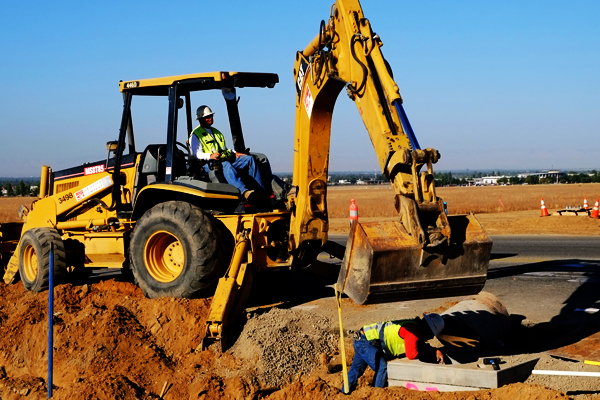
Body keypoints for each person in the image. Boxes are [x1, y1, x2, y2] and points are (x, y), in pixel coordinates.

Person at [343, 313, 445, 394]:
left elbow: (416, 344)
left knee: (356, 370)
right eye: (432, 334)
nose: (431, 338)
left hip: (362, 338)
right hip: (367, 342)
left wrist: (434, 350)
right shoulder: (414, 331)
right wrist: (427, 351)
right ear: (429, 329)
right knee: (382, 367)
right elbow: (412, 354)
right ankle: (375, 394)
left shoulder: (414, 326)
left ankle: (345, 393)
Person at [189, 105, 268, 201]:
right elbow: (197, 154)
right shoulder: (196, 135)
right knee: (226, 165)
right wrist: (210, 156)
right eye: (207, 117)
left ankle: (261, 192)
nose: (210, 118)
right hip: (208, 164)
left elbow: (224, 149)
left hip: (223, 159)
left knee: (249, 159)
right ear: (200, 119)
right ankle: (244, 192)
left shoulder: (216, 132)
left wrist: (235, 153)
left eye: (211, 116)